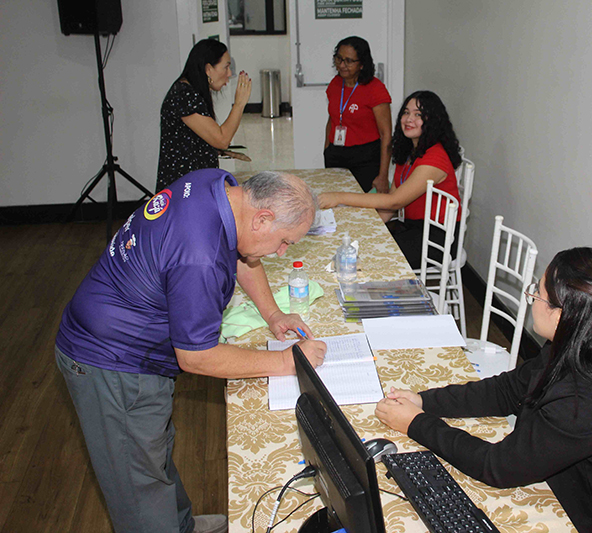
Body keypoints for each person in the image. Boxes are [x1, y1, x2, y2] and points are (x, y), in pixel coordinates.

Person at [55, 168, 327, 533]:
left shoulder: (219, 187)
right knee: (136, 484)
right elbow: (197, 356)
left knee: (153, 453)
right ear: (262, 218)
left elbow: (242, 255)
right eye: (284, 241)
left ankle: (180, 527)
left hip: (119, 336)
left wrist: (274, 314)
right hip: (112, 360)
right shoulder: (199, 256)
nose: (281, 251)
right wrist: (286, 360)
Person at [375, 248, 592, 533]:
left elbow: (496, 467)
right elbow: (508, 389)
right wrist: (425, 401)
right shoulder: (579, 342)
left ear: (560, 315)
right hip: (577, 490)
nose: (531, 299)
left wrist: (416, 423)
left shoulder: (585, 402)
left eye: (537, 293)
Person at [319, 90, 462, 270]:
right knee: (357, 248)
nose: (409, 119)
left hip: (436, 239)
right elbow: (389, 207)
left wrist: (339, 197)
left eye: (418, 115)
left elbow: (395, 201)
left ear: (433, 120)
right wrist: (363, 228)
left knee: (369, 259)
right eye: (406, 112)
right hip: (413, 228)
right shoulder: (410, 152)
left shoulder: (434, 158)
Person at [157, 39, 252, 191]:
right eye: (226, 67)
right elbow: (221, 139)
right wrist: (239, 104)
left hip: (192, 183)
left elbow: (193, 139)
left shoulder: (190, 92)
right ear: (208, 69)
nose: (229, 74)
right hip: (183, 190)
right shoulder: (184, 95)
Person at [323, 36, 393, 193]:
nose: (342, 65)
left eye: (349, 61)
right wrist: (327, 149)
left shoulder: (375, 89)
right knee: (336, 199)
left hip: (365, 158)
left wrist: (383, 175)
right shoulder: (335, 84)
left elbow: (386, 135)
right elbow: (332, 118)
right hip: (336, 153)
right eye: (339, 59)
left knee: (361, 203)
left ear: (362, 64)